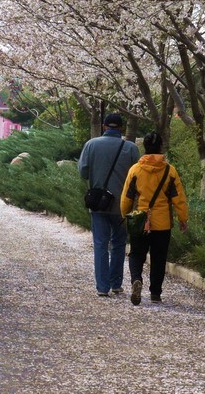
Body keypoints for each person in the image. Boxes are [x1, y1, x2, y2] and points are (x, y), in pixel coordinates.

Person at [120, 130, 189, 305]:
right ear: (160, 147)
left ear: (145, 147)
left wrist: (124, 214)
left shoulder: (135, 170)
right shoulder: (170, 171)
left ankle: (137, 279)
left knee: (136, 255)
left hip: (140, 221)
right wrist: (183, 218)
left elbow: (127, 197)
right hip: (162, 222)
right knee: (159, 258)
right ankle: (155, 293)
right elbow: (178, 197)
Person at [78, 112, 139, 297]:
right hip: (122, 204)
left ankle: (102, 287)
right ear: (121, 128)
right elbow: (137, 176)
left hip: (99, 203)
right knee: (119, 243)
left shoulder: (91, 145)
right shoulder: (131, 148)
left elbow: (83, 172)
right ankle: (116, 284)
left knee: (100, 243)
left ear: (104, 126)